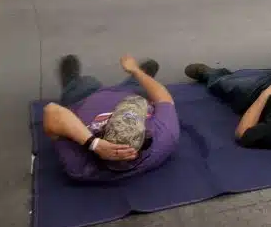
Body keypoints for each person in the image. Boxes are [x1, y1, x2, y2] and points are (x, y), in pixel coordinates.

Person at [42, 53, 179, 182]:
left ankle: (72, 80)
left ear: (100, 133)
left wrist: (93, 144)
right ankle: (138, 73)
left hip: (84, 98)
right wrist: (135, 70)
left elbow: (51, 111)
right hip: (129, 93)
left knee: (86, 82)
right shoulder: (164, 137)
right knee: (141, 86)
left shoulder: (79, 163)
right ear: (146, 137)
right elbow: (163, 97)